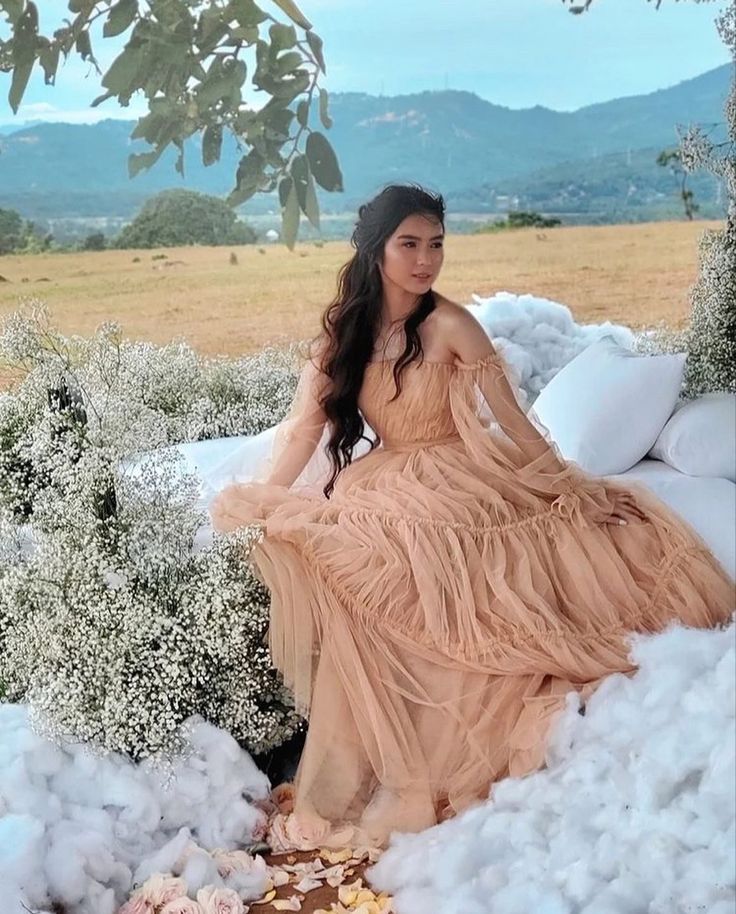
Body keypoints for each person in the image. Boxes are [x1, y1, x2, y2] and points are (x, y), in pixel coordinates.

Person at [209, 184, 734, 852]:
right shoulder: (345, 330)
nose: (426, 260)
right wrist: (267, 501)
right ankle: (371, 751)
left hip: (459, 478)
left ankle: (420, 762)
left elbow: (516, 429)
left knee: (418, 561)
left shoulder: (453, 324)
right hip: (386, 477)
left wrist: (566, 486)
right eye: (410, 245)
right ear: (376, 250)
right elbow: (306, 431)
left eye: (436, 245)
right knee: (358, 551)